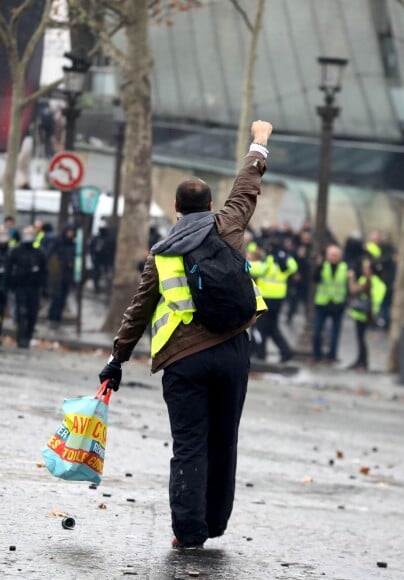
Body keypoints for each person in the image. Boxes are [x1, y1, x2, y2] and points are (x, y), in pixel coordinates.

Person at [98, 120, 272, 550]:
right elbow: (247, 186)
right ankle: (215, 522)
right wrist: (259, 143)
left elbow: (137, 312)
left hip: (183, 360)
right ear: (211, 204)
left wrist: (117, 358)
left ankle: (188, 532)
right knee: (224, 439)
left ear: (175, 210)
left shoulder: (161, 254)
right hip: (232, 349)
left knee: (189, 444)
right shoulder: (228, 225)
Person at [249, 239, 298, 363]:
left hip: (264, 298)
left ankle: (260, 353)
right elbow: (293, 267)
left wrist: (243, 261)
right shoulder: (286, 260)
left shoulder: (269, 259)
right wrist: (284, 257)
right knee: (271, 327)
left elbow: (256, 269)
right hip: (278, 299)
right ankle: (286, 351)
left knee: (258, 327)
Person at [7, 226, 46, 348]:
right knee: (21, 312)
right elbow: (10, 267)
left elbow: (44, 271)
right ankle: (21, 337)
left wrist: (43, 285)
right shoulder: (17, 251)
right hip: (20, 285)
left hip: (34, 286)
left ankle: (28, 336)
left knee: (32, 313)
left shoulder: (39, 252)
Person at [346, 260, 387, 372]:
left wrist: (351, 278)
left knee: (363, 340)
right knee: (360, 339)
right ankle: (360, 360)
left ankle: (363, 362)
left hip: (368, 315)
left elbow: (356, 290)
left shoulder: (375, 282)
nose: (364, 270)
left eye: (366, 268)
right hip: (361, 313)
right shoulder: (366, 279)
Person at [311, 244, 349, 364]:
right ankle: (317, 354)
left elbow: (348, 286)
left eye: (336, 255)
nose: (333, 257)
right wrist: (318, 266)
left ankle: (331, 356)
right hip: (323, 302)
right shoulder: (323, 266)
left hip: (338, 304)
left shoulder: (345, 267)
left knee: (335, 333)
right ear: (327, 255)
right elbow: (315, 279)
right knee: (317, 331)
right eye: (331, 254)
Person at [47, 223, 76, 326]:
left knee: (63, 297)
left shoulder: (73, 244)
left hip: (68, 274)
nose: (70, 234)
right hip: (58, 273)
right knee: (57, 296)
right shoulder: (58, 242)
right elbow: (49, 254)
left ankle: (58, 317)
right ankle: (52, 316)